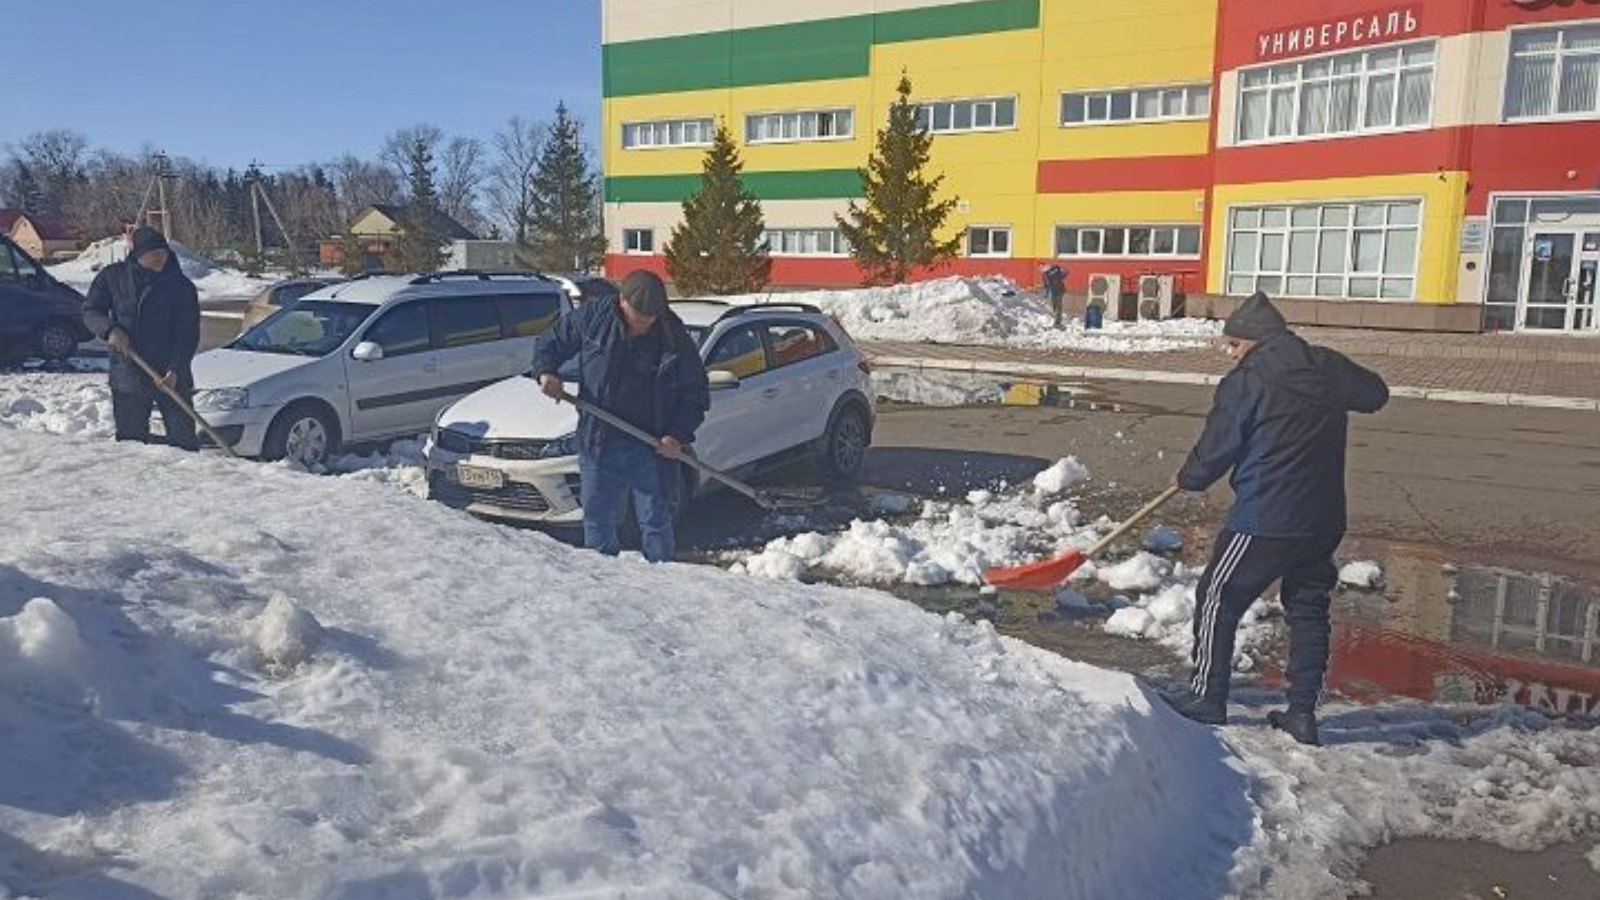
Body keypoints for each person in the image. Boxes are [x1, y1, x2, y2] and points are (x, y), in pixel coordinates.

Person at [1165, 292, 1389, 746]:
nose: (1230, 353)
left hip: (1266, 516)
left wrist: (1191, 477)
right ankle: (1302, 713)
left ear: (1252, 341)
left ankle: (1207, 697)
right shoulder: (1325, 366)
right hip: (1322, 517)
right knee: (1308, 610)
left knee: (1216, 597)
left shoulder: (1246, 382)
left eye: (1233, 345)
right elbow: (1375, 394)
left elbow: (1217, 448)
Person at [531, 270, 710, 563]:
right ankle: (606, 586)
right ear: (622, 301)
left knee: (656, 520)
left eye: (650, 318)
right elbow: (550, 342)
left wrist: (677, 435)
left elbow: (696, 394)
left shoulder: (672, 334)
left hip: (651, 444)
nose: (644, 324)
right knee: (598, 518)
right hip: (599, 438)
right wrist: (546, 372)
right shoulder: (594, 317)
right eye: (639, 316)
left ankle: (664, 582)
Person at [83, 226, 201, 450]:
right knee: (131, 444)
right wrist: (110, 330)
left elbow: (188, 333)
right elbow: (90, 311)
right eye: (153, 255)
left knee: (184, 441)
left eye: (163, 253)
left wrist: (175, 368)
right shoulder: (113, 277)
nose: (160, 259)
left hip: (172, 373)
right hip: (129, 371)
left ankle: (187, 483)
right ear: (138, 255)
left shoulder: (181, 287)